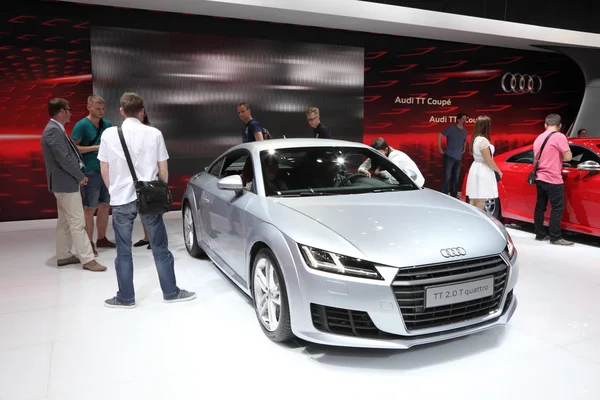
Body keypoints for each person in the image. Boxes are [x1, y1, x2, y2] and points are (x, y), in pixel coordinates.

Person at [98, 92, 196, 307]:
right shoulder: (155, 134)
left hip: (121, 197)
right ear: (142, 111)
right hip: (150, 197)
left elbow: (104, 168)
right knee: (160, 247)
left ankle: (125, 297)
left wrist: (113, 189)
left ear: (122, 112)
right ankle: (171, 292)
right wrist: (159, 190)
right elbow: (163, 169)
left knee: (123, 251)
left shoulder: (108, 134)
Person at [40, 98, 107, 272]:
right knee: (78, 223)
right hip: (66, 183)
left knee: (64, 221)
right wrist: (80, 176)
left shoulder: (56, 129)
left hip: (63, 183)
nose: (71, 112)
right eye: (68, 110)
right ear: (61, 111)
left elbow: (69, 153)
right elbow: (64, 158)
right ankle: (88, 259)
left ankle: (63, 255)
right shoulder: (53, 131)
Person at [71, 94, 115, 256]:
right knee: (89, 208)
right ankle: (88, 242)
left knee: (104, 206)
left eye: (103, 108)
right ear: (89, 107)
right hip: (89, 170)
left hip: (106, 170)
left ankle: (101, 238)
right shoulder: (81, 125)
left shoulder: (107, 124)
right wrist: (96, 148)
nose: (101, 111)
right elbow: (74, 148)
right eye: (97, 108)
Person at [533, 114, 574, 246]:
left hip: (539, 177)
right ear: (560, 125)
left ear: (545, 125)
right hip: (553, 178)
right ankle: (555, 237)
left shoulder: (539, 137)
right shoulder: (559, 136)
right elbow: (567, 157)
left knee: (540, 206)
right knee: (557, 207)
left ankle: (540, 234)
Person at [465, 115, 502, 210]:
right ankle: (476, 222)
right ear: (486, 126)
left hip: (477, 169)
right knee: (480, 199)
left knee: (474, 199)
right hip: (483, 171)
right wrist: (499, 171)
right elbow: (488, 160)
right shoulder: (483, 141)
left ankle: (472, 221)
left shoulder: (476, 139)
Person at [358, 137, 425, 187]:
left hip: (415, 184)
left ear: (386, 149)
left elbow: (390, 175)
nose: (377, 155)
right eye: (375, 153)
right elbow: (362, 167)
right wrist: (364, 171)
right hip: (400, 183)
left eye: (379, 153)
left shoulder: (395, 156)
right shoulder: (378, 154)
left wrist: (379, 173)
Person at [133, 112, 152, 250]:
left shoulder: (149, 131)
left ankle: (153, 238)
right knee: (142, 208)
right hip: (136, 174)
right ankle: (147, 237)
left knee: (150, 208)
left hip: (148, 174)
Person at [438, 112, 468, 198]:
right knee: (447, 177)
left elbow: (464, 140)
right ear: (458, 119)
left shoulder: (465, 131)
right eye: (462, 119)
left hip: (458, 158)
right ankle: (444, 194)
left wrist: (464, 148)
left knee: (456, 178)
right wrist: (440, 148)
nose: (464, 121)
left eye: (465, 119)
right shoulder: (451, 128)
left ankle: (454, 195)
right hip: (449, 156)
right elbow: (440, 135)